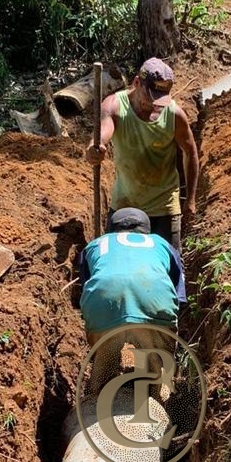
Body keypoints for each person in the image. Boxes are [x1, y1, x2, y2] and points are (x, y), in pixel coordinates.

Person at [84, 58, 200, 248]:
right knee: (118, 263)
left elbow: (191, 153)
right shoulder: (115, 106)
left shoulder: (174, 115)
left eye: (161, 99)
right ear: (137, 83)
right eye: (151, 96)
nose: (156, 104)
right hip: (125, 205)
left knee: (167, 267)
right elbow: (103, 132)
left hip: (164, 208)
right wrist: (95, 147)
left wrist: (191, 200)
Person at [78, 207, 186, 396]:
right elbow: (179, 297)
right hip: (153, 303)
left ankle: (97, 397)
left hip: (104, 307)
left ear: (111, 229)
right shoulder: (162, 244)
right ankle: (159, 399)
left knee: (103, 371)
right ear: (147, 231)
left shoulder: (95, 245)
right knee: (157, 371)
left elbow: (88, 287)